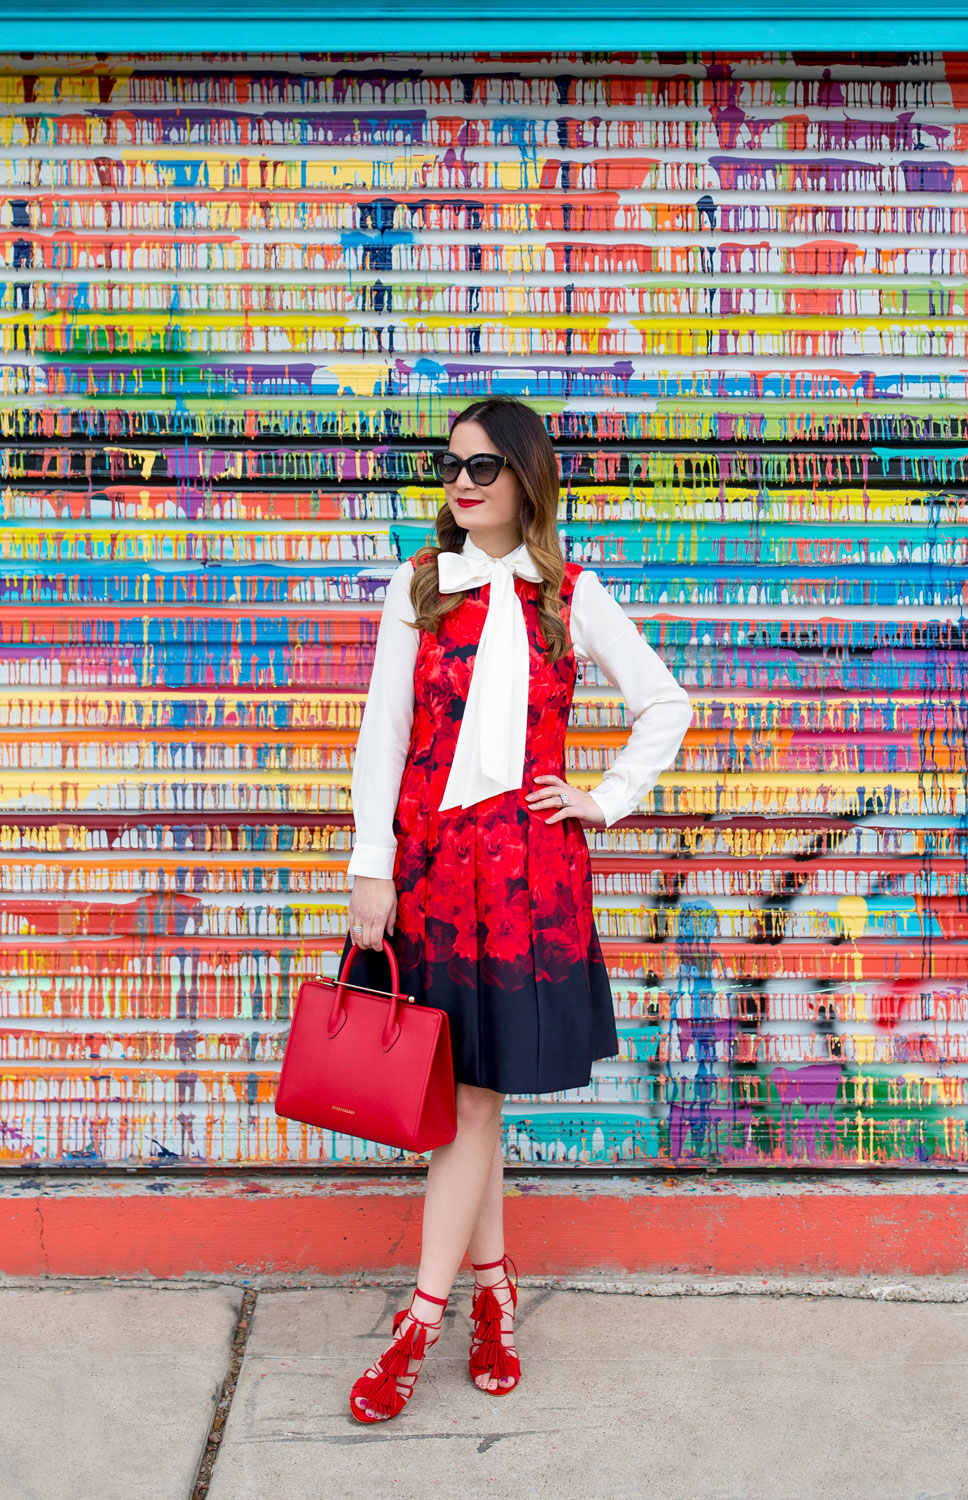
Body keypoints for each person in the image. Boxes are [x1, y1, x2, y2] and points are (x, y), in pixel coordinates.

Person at [341, 396, 693, 1422]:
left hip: (528, 880)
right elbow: (382, 734)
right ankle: (489, 1295)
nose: (462, 481)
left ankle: (419, 1322)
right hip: (435, 874)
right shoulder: (419, 589)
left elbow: (662, 701)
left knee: (473, 1102)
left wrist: (605, 798)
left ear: (527, 477)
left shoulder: (569, 594)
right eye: (452, 464)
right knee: (465, 1097)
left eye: (486, 466)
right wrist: (373, 865)